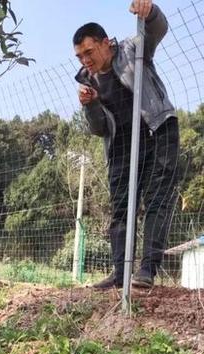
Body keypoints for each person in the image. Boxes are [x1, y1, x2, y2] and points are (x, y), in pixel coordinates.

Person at [73, 0, 180, 289]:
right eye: (80, 56)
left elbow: (157, 29)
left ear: (106, 43)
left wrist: (151, 12)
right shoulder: (87, 82)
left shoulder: (133, 50)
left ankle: (146, 271)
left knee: (157, 199)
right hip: (121, 145)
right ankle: (120, 274)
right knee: (121, 209)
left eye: (89, 51)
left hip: (158, 130)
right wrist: (90, 106)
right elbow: (98, 129)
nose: (85, 60)